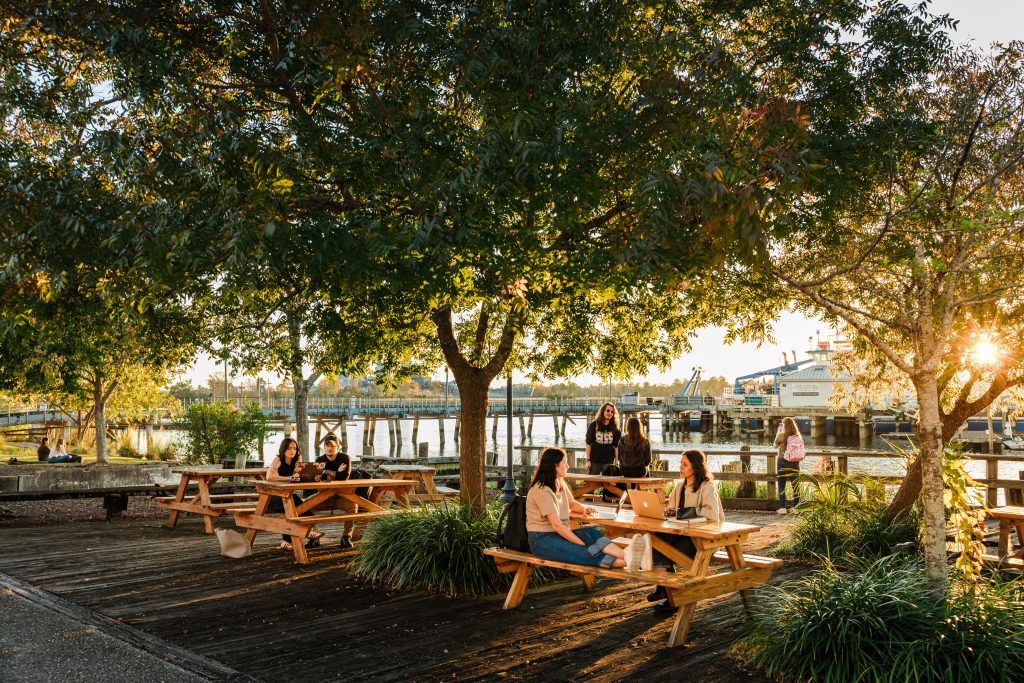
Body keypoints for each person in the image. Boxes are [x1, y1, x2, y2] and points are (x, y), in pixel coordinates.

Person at [647, 449, 724, 608]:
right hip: (682, 534)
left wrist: (683, 513)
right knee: (654, 540)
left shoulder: (706, 487)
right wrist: (668, 512)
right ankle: (667, 590)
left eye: (685, 464)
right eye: (680, 464)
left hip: (702, 540)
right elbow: (674, 512)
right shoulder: (679, 488)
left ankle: (668, 593)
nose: (680, 467)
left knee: (661, 546)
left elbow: (713, 515)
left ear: (695, 467)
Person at [526, 447, 626, 568]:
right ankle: (627, 562)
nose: (567, 465)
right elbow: (556, 525)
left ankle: (626, 556)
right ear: (555, 466)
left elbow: (572, 504)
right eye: (564, 463)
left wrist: (584, 509)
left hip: (559, 534)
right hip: (542, 540)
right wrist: (581, 544)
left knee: (590, 533)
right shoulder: (541, 489)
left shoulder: (560, 483)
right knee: (583, 551)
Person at [266, 437, 323, 550]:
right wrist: (289, 478)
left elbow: (299, 476)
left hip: (289, 496)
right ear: (283, 449)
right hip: (274, 497)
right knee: (291, 513)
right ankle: (296, 538)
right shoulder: (278, 459)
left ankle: (308, 538)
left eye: (294, 448)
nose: (292, 451)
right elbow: (269, 477)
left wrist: (309, 476)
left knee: (307, 513)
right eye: (289, 448)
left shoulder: (297, 458)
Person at [315, 434, 356, 548]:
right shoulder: (319, 460)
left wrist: (326, 473)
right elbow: (318, 478)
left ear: (338, 447)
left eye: (332, 446)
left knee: (353, 506)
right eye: (327, 446)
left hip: (341, 496)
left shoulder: (345, 458)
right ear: (324, 447)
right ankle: (313, 537)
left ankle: (346, 537)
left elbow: (344, 478)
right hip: (323, 496)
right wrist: (336, 472)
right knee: (304, 507)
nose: (330, 448)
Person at [774, 417, 803, 514]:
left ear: (784, 426)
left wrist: (779, 431)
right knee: (795, 486)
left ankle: (783, 508)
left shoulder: (782, 435)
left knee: (781, 485)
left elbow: (775, 446)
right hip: (795, 462)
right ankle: (796, 508)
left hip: (782, 461)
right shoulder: (797, 436)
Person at [585, 402, 620, 474]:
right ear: (603, 411)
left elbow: (616, 446)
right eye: (607, 410)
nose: (610, 413)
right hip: (595, 461)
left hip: (609, 462)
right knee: (594, 484)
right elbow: (588, 443)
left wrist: (616, 461)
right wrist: (588, 461)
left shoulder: (615, 427)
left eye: (612, 412)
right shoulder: (594, 425)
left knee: (609, 484)